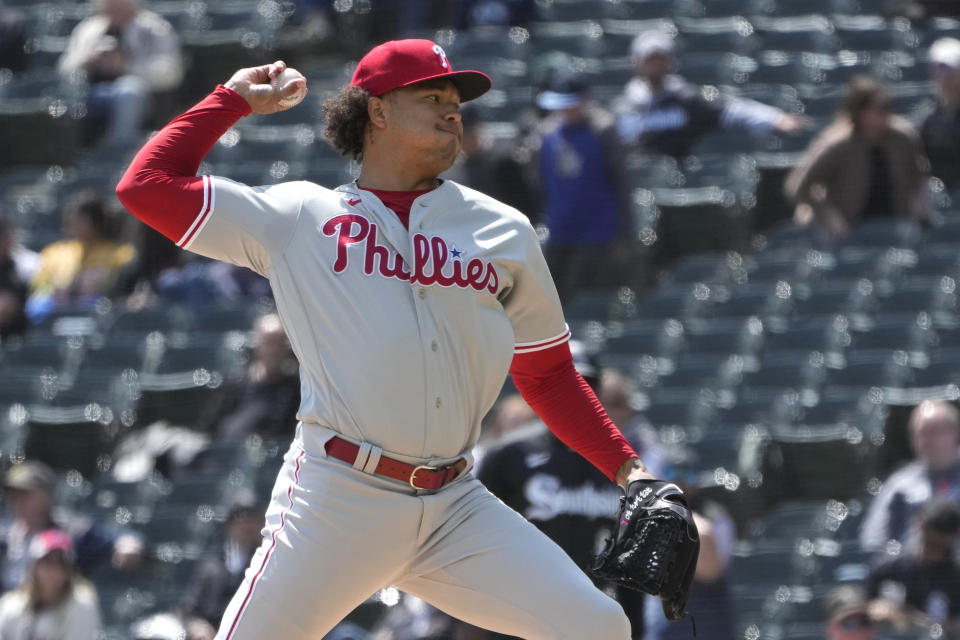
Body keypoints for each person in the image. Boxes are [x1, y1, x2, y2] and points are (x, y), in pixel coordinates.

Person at [116, 39, 659, 640]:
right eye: (433, 96)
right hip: (338, 499)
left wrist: (632, 475)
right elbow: (145, 187)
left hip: (455, 504)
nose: (454, 111)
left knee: (598, 627)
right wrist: (231, 101)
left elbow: (549, 375)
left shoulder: (502, 229)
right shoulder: (303, 217)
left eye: (457, 100)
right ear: (376, 111)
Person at [476, 347, 665, 639]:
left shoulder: (621, 463)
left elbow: (629, 569)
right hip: (516, 619)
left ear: (598, 390)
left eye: (586, 385)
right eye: (568, 384)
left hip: (586, 618)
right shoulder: (508, 455)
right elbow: (476, 545)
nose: (575, 394)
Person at [615, 30, 810, 158]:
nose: (656, 65)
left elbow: (732, 110)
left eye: (660, 59)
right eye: (650, 59)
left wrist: (774, 118)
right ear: (637, 63)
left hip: (682, 177)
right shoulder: (623, 107)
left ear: (670, 62)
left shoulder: (689, 101)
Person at [784, 75, 930, 240]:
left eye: (890, 107)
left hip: (895, 222)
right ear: (861, 112)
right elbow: (798, 187)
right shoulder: (837, 144)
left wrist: (918, 210)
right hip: (849, 228)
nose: (888, 114)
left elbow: (918, 176)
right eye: (881, 108)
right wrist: (829, 216)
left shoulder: (903, 138)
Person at [536, 72, 635, 304]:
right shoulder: (547, 134)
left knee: (583, 294)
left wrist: (625, 231)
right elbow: (541, 184)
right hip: (560, 229)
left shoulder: (603, 130)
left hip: (597, 230)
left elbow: (621, 181)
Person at [0, 461, 144, 592]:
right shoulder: (5, 536)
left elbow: (117, 539)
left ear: (46, 496)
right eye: (13, 494)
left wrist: (128, 543)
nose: (17, 500)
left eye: (24, 494)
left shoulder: (71, 531)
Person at [57, 0, 183, 147]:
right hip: (94, 93)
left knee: (128, 89)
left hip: (143, 97)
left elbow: (170, 72)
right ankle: (70, 156)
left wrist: (125, 66)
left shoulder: (153, 28)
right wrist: (88, 59)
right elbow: (65, 68)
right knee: (69, 98)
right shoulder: (89, 29)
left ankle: (119, 150)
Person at [859, 400, 960, 555]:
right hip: (911, 573)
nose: (928, 439)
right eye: (921, 433)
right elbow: (873, 539)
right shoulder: (900, 484)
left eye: (935, 431)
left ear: (955, 433)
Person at [27, 189, 135, 320]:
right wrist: (56, 287)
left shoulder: (121, 253)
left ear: (96, 222)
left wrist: (102, 282)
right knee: (35, 306)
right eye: (72, 219)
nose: (74, 224)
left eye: (80, 220)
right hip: (56, 305)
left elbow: (121, 287)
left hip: (97, 306)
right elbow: (38, 284)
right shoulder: (55, 252)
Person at [195, 312, 300, 441]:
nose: (274, 350)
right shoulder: (235, 384)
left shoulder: (294, 390)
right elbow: (210, 425)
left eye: (280, 343)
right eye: (269, 343)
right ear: (257, 345)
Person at [866, 499, 960, 637]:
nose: (935, 551)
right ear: (920, 526)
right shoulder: (888, 568)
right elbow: (865, 607)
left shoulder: (956, 575)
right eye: (930, 543)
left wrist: (910, 618)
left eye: (942, 546)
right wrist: (879, 608)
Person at [180, 491, 264, 640]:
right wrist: (197, 625)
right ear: (228, 525)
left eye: (253, 519)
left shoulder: (267, 564)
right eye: (240, 519)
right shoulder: (211, 567)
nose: (247, 526)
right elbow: (190, 611)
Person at [0, 528, 101, 640]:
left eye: (60, 562)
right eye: (47, 561)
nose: (54, 569)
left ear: (69, 570)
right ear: (34, 566)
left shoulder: (82, 607)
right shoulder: (11, 606)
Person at [919, 38, 960, 191]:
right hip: (940, 195)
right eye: (940, 71)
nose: (946, 78)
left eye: (952, 71)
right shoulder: (927, 119)